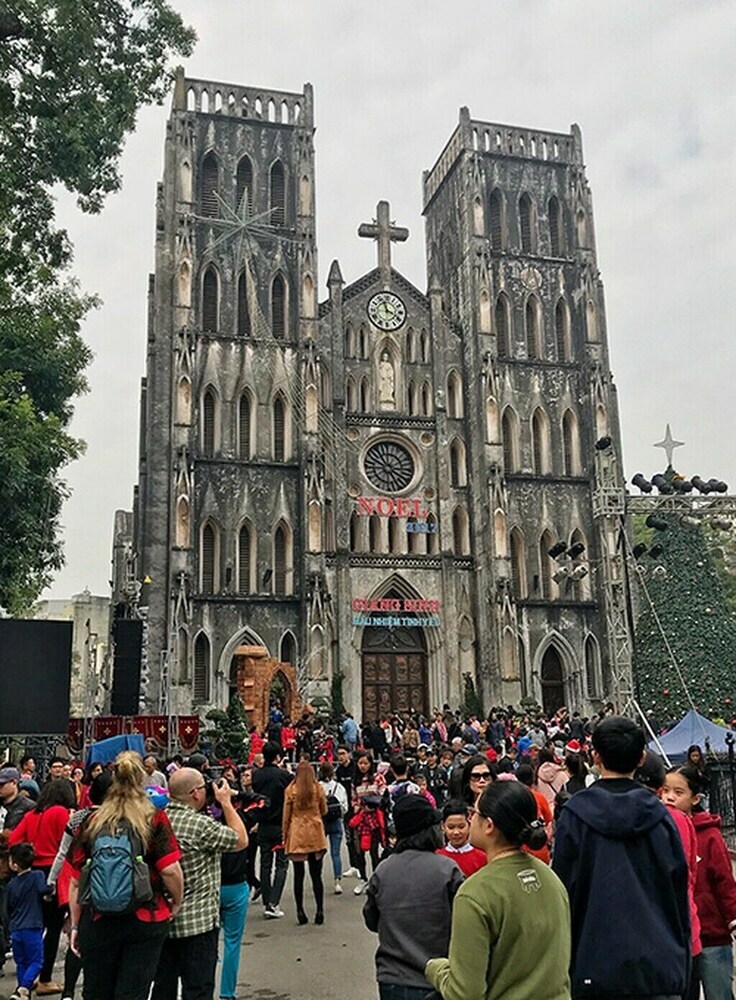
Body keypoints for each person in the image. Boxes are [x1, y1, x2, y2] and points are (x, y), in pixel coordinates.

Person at [552, 716, 690, 999]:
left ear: (596, 756)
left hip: (594, 964)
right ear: (641, 758)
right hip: (658, 966)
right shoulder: (662, 818)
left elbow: (564, 893)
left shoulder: (575, 816)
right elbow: (677, 894)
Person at [426, 781, 570, 1000]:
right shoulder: (550, 878)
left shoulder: (475, 894)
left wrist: (436, 969)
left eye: (474, 813)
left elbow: (465, 993)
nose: (470, 819)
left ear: (489, 825)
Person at [67, 752, 184, 1000]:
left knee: (96, 991)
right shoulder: (153, 818)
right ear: (142, 779)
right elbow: (170, 869)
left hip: (98, 918)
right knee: (133, 991)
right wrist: (176, 902)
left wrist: (76, 925)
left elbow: (76, 880)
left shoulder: (92, 821)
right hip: (145, 915)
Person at [151, 767, 246, 1000]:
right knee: (199, 989)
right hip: (198, 922)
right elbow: (240, 839)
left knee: (164, 987)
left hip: (161, 918)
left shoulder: (154, 821)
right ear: (195, 793)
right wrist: (225, 803)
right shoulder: (200, 825)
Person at [364, 794, 463, 1000]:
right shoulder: (448, 870)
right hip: (437, 979)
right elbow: (465, 922)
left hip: (392, 978)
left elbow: (372, 920)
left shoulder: (383, 870)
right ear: (428, 829)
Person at [662, 765, 736, 1000]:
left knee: (719, 993)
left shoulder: (710, 836)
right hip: (680, 938)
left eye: (678, 791)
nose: (669, 797)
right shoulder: (660, 830)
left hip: (713, 936)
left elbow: (725, 883)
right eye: (665, 790)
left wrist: (733, 919)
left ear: (695, 798)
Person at [9, 776, 76, 995]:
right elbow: (69, 845)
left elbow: (13, 840)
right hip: (53, 873)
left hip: (31, 872)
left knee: (36, 925)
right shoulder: (61, 813)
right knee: (54, 926)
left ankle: (29, 976)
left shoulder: (31, 815)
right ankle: (45, 977)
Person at [251, 741, 293, 918]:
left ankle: (267, 901)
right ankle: (273, 903)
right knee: (282, 864)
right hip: (280, 824)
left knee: (265, 864)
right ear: (278, 757)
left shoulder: (257, 775)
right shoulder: (284, 776)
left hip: (263, 824)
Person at [283, 760, 328, 924]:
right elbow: (324, 810)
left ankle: (300, 911)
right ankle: (320, 910)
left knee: (298, 875)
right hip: (315, 832)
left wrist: (284, 834)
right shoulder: (318, 788)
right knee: (317, 875)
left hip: (297, 832)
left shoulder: (290, 790)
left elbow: (286, 815)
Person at [6, 843, 48, 1000]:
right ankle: (23, 988)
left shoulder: (11, 885)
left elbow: (8, 906)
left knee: (21, 962)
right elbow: (44, 890)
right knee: (36, 961)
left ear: (14, 865)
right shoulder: (37, 876)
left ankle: (22, 993)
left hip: (16, 928)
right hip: (32, 925)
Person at [351, 752, 387, 895]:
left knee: (374, 851)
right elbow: (353, 799)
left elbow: (383, 795)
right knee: (359, 851)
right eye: (360, 763)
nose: (363, 766)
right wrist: (357, 807)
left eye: (366, 763)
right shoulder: (356, 781)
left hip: (375, 819)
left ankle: (375, 878)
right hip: (362, 819)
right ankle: (363, 878)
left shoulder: (378, 778)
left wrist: (373, 804)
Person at [319, 761, 348, 894]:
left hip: (322, 822)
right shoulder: (339, 787)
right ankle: (337, 881)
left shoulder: (318, 787)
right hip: (336, 821)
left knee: (319, 852)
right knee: (335, 853)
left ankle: (317, 878)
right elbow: (345, 807)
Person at [436, 799, 486, 876]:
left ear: (469, 825)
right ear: (443, 827)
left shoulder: (482, 858)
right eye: (451, 827)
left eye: (461, 827)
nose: (456, 832)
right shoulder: (438, 856)